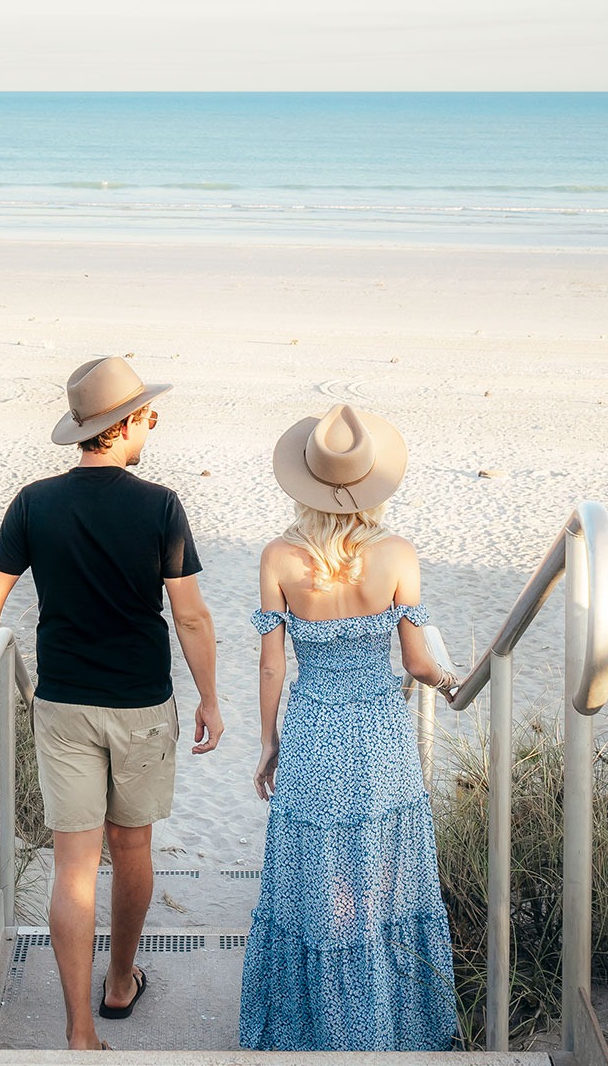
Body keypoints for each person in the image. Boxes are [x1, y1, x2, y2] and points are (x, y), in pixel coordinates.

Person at [0, 355, 224, 1052]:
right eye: (149, 418)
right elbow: (191, 618)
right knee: (132, 845)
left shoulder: (34, 502)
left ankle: (79, 1033)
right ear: (127, 425)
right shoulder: (160, 504)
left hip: (64, 702)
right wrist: (211, 698)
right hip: (140, 702)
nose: (151, 427)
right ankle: (121, 978)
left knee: (74, 866)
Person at [238, 403, 458, 1052]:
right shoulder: (397, 556)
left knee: (317, 877)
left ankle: (319, 1030)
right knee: (380, 878)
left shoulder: (279, 557)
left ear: (304, 483)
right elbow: (417, 662)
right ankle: (386, 1026)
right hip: (380, 737)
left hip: (313, 731)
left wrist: (269, 743)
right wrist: (455, 680)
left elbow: (272, 663)